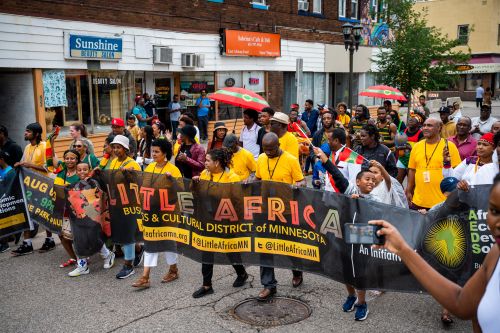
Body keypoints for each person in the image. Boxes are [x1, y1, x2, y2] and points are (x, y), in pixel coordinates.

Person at [369, 172, 500, 333]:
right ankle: (445, 312)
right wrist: (404, 250)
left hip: (466, 251)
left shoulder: (469, 207)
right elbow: (461, 304)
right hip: (453, 251)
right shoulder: (494, 255)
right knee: (455, 278)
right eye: (494, 211)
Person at [313, 146, 378, 320]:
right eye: (367, 179)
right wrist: (325, 160)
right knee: (345, 269)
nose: (371, 182)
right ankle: (351, 295)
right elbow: (337, 176)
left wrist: (362, 201)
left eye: (373, 180)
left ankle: (362, 303)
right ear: (358, 182)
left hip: (363, 234)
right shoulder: (350, 191)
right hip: (345, 232)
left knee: (360, 270)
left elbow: (379, 214)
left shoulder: (376, 199)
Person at [191, 148, 249, 298]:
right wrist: (195, 184)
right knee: (207, 250)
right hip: (208, 220)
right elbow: (196, 194)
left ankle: (242, 273)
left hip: (225, 221)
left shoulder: (232, 177)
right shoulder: (204, 174)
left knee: (230, 249)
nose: (205, 163)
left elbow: (238, 202)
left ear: (217, 163)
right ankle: (207, 285)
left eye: (208, 160)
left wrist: (237, 223)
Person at [255, 133, 306, 301]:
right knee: (264, 246)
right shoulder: (261, 158)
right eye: (265, 149)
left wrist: (297, 186)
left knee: (290, 245)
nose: (268, 152)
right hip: (265, 209)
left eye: (271, 149)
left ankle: (297, 271)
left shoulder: (291, 160)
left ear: (278, 145)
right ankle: (269, 285)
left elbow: (302, 181)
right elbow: (258, 178)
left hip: (286, 211)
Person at [132, 139, 182, 289]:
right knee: (150, 242)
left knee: (168, 243)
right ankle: (145, 277)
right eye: (152, 151)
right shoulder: (150, 168)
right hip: (151, 212)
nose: (153, 154)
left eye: (157, 152)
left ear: (165, 153)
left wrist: (171, 180)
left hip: (168, 213)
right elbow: (144, 188)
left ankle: (173, 270)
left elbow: (181, 190)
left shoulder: (173, 170)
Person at [66, 162, 116, 277]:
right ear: (76, 171)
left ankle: (107, 254)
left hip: (93, 215)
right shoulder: (74, 185)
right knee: (79, 239)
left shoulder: (93, 182)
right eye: (79, 170)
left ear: (89, 170)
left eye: (85, 169)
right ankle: (82, 266)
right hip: (78, 216)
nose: (82, 172)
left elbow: (99, 197)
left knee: (94, 237)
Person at [12, 123, 55, 256]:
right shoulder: (27, 147)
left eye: (28, 131)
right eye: (25, 131)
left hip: (43, 186)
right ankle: (27, 243)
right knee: (27, 212)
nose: (25, 133)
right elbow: (24, 164)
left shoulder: (45, 146)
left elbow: (50, 167)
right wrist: (19, 164)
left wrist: (28, 165)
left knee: (44, 213)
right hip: (29, 186)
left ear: (36, 134)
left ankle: (50, 239)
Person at [406, 118, 461, 210]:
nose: (425, 128)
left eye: (429, 125)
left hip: (442, 202)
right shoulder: (417, 146)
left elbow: (457, 173)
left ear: (439, 128)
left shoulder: (449, 146)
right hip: (418, 201)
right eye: (424, 125)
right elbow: (412, 170)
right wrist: (408, 190)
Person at [108, 135, 142, 279]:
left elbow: (138, 182)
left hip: (130, 203)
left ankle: (128, 266)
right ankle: (139, 249)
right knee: (123, 233)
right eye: (114, 147)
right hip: (117, 202)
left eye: (119, 147)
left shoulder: (133, 164)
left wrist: (127, 175)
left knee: (127, 233)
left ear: (126, 149)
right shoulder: (114, 162)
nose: (116, 150)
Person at [396, 114, 424, 183]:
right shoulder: (403, 131)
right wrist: (399, 147)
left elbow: (420, 150)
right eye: (410, 119)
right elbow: (397, 145)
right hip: (402, 159)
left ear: (418, 123)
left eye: (413, 119)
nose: (410, 120)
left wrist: (409, 147)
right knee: (397, 182)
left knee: (411, 183)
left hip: (414, 161)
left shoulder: (421, 134)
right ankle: (400, 194)